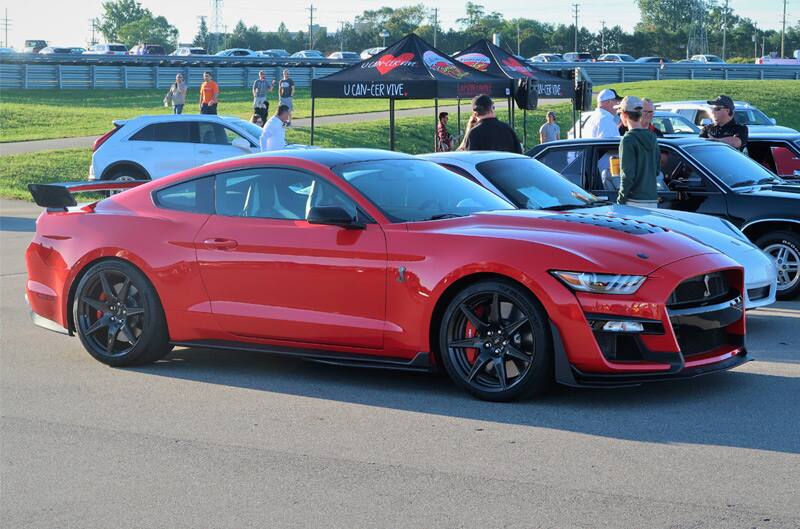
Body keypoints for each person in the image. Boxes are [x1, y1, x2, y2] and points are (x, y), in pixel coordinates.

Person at [616, 96, 660, 208]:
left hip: (633, 201)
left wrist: (620, 200)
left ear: (625, 115)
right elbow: (656, 170)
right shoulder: (653, 137)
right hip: (652, 200)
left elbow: (627, 175)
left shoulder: (628, 139)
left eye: (619, 114)